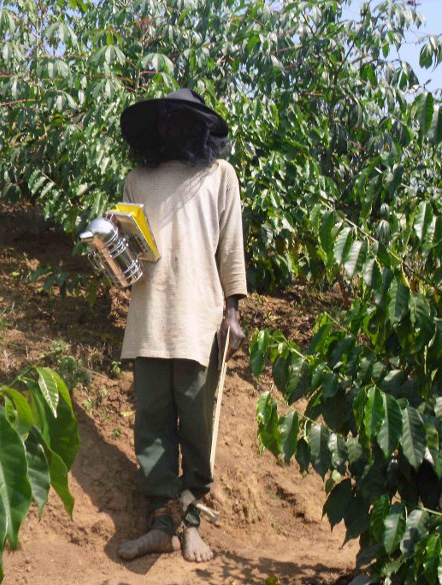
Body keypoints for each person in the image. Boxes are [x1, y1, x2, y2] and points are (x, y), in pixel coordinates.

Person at [115, 88, 247, 563]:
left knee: (196, 424)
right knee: (151, 425)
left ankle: (191, 523)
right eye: (162, 121)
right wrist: (111, 247)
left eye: (178, 120)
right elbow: (128, 262)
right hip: (149, 318)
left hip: (198, 319)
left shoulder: (220, 176)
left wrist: (233, 312)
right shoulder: (137, 180)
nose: (168, 128)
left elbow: (231, 247)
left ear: (198, 127)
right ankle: (161, 524)